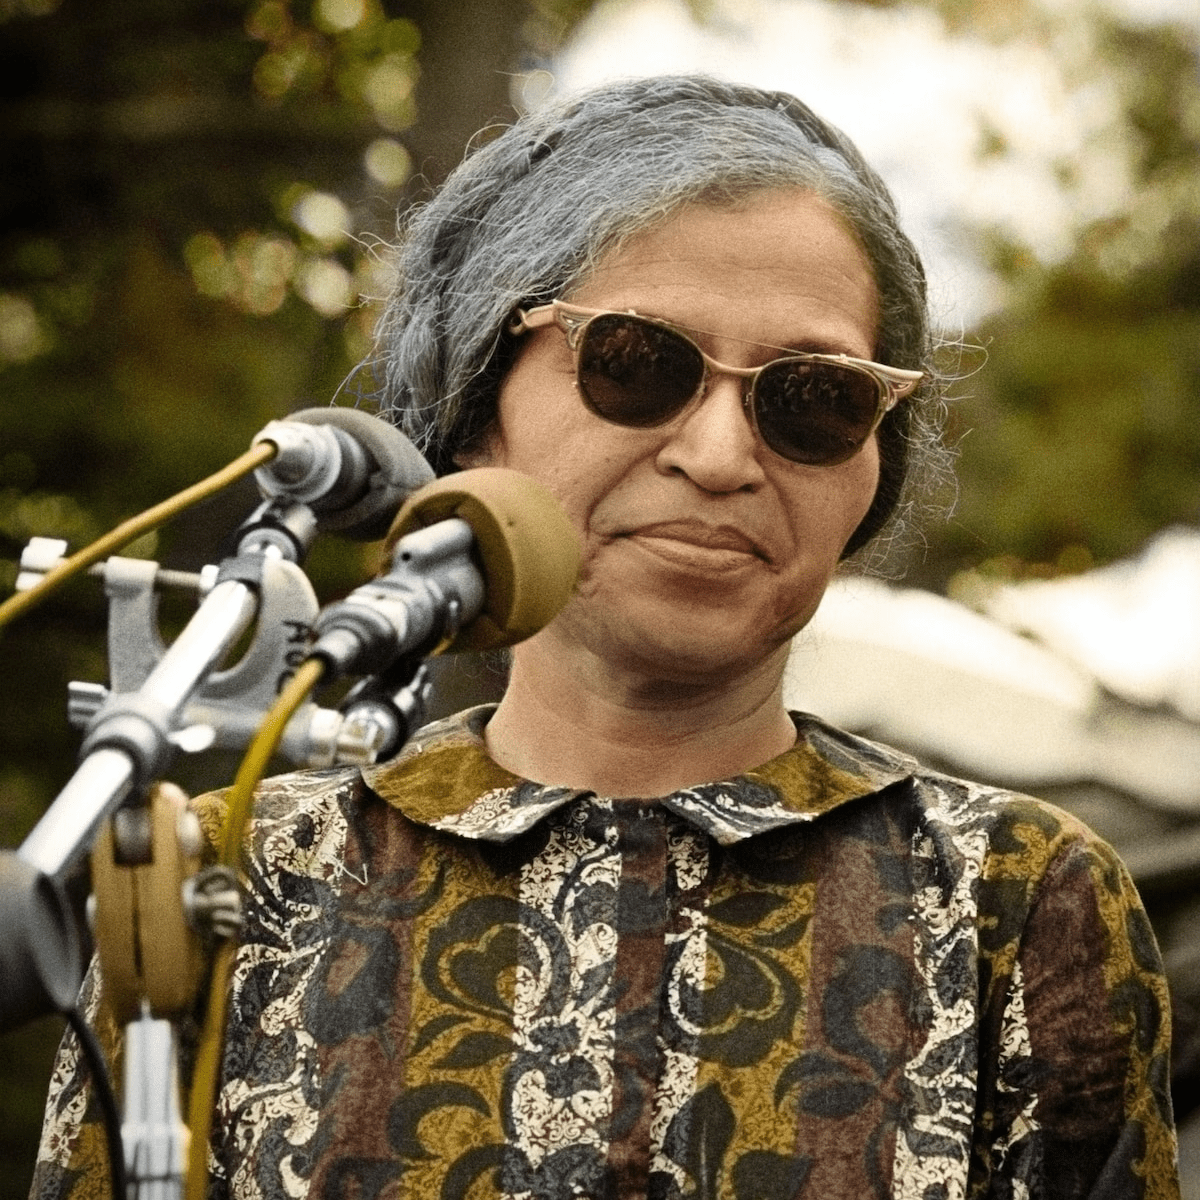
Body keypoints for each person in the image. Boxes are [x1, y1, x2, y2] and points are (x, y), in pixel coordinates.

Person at [31, 75, 1180, 1199]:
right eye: (637, 363)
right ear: (477, 411)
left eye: (815, 396)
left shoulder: (1017, 896)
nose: (722, 457)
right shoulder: (225, 880)